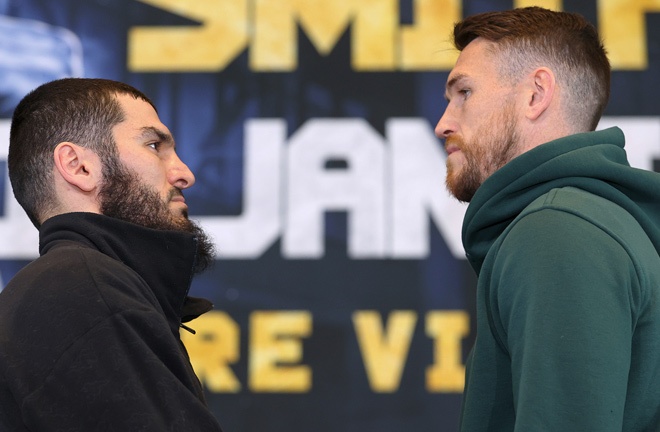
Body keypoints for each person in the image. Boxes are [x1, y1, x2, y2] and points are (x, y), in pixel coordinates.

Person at [436, 7, 660, 431]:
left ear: (536, 94)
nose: (443, 123)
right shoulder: (601, 220)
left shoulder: (556, 232)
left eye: (464, 92)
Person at [0, 78, 223, 431]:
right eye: (153, 145)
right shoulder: (84, 289)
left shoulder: (71, 286)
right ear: (78, 166)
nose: (185, 174)